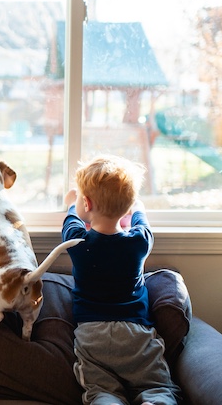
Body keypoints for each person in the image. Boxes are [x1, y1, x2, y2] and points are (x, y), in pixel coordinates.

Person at [62, 154, 181, 405]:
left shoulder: (78, 243)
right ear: (127, 208)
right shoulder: (139, 242)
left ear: (87, 202)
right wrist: (136, 207)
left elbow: (70, 222)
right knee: (156, 385)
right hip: (136, 332)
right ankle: (155, 402)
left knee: (101, 391)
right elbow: (142, 222)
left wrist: (72, 204)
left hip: (93, 333)